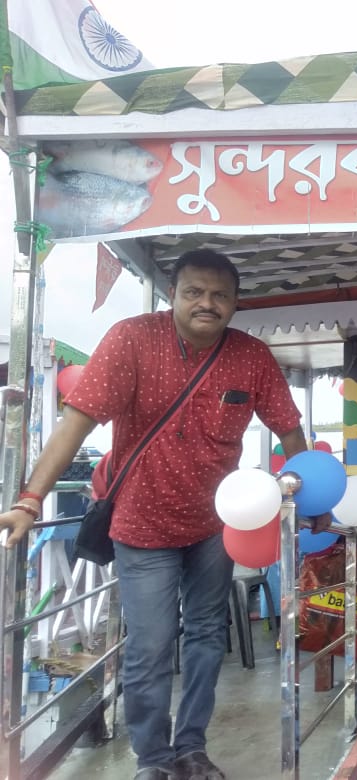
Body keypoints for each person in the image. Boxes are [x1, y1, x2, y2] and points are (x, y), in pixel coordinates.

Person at [0, 249, 331, 780]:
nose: (207, 304)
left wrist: (313, 502)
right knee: (150, 645)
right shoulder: (131, 339)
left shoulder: (251, 357)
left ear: (236, 303)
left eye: (220, 295)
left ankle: (191, 748)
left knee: (207, 637)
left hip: (215, 524)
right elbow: (75, 424)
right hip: (141, 522)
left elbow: (290, 431)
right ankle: (152, 759)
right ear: (173, 294)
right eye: (194, 292)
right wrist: (29, 502)